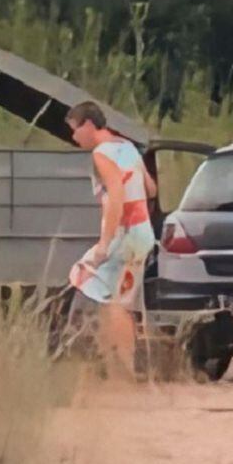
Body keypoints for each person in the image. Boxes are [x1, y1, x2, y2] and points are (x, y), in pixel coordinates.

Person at [65, 101, 157, 377]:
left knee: (86, 279)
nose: (74, 137)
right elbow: (151, 189)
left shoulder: (101, 155)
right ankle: (122, 364)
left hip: (123, 236)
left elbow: (116, 195)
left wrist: (104, 243)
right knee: (122, 299)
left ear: (89, 125)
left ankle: (110, 362)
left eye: (74, 130)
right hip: (142, 235)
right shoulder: (128, 148)